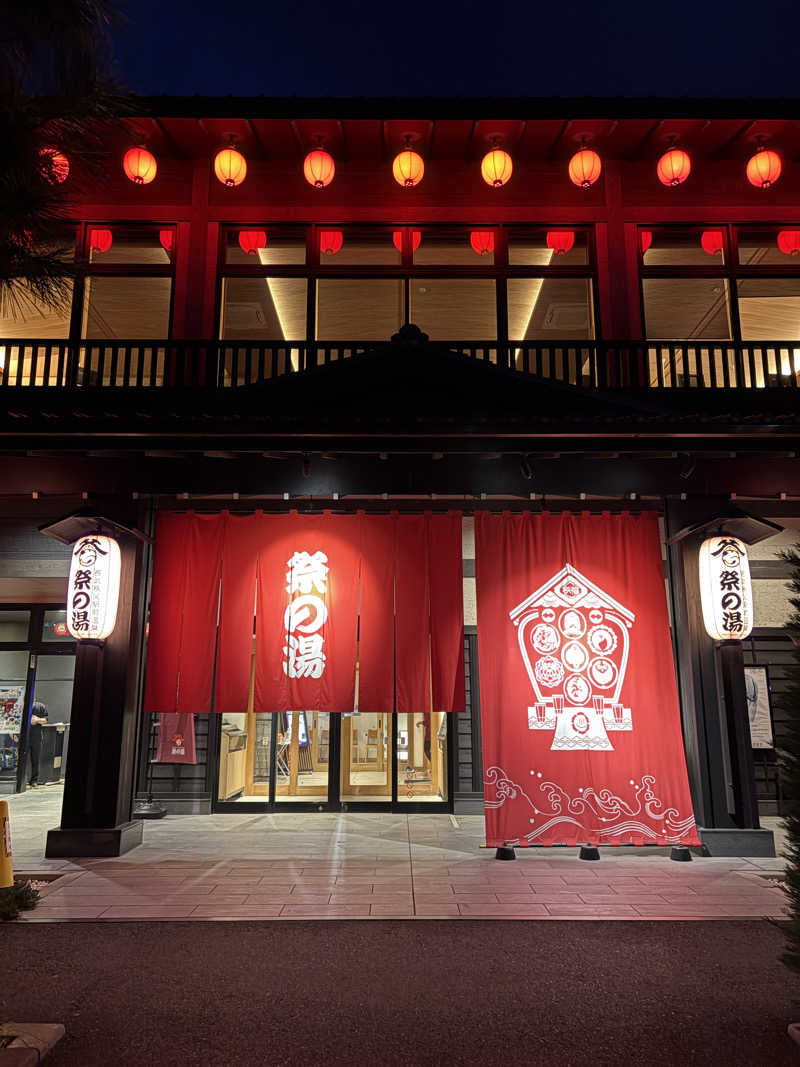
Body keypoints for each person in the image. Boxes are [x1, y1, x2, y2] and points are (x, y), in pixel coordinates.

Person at [27, 700, 48, 787]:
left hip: (37, 737)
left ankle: (34, 780)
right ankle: (21, 779)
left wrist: (37, 719)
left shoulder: (41, 706)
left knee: (35, 759)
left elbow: (46, 720)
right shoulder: (22, 705)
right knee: (22, 759)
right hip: (24, 737)